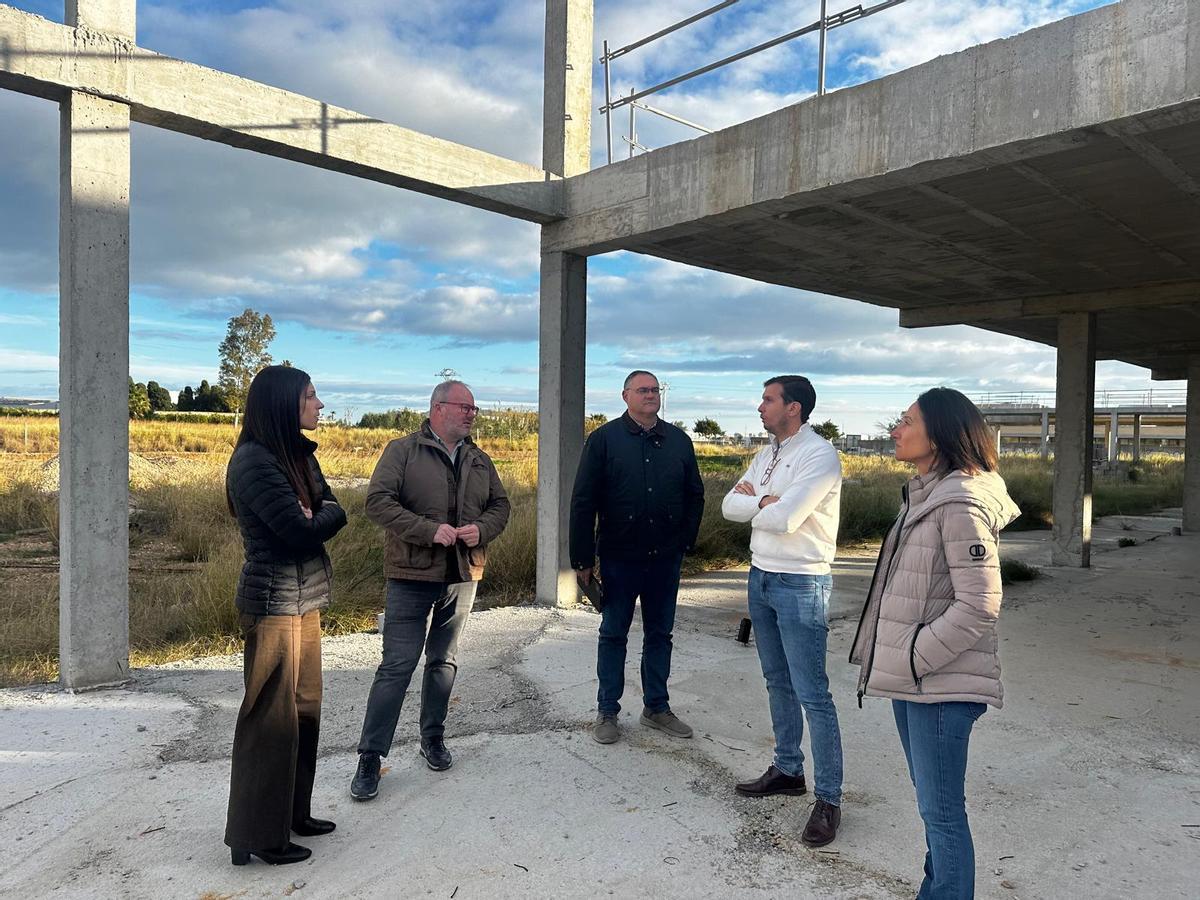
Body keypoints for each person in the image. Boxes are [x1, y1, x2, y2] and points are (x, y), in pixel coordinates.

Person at [850, 388, 1019, 899]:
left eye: (905, 421)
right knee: (932, 803)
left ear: (940, 433)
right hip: (919, 679)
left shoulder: (960, 503)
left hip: (939, 684)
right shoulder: (927, 493)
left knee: (942, 812)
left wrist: (912, 656)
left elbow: (980, 604)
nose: (894, 430)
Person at [350, 380, 510, 801]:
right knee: (397, 666)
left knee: (444, 661)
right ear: (438, 408)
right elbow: (378, 502)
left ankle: (432, 739)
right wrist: (427, 531)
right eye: (464, 407)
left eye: (474, 409)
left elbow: (501, 506)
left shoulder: (478, 458)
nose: (472, 414)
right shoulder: (402, 451)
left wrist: (482, 530)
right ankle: (370, 758)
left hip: (462, 574)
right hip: (410, 574)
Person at [224, 365, 347, 866]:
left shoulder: (297, 454)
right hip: (274, 602)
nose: (320, 405)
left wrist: (318, 514)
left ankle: (293, 815)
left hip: (306, 600)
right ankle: (254, 835)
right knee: (269, 721)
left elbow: (327, 509)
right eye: (312, 396)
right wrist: (320, 515)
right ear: (284, 403)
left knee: (303, 714)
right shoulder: (253, 462)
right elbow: (301, 531)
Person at [721, 375, 846, 847]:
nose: (760, 407)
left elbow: (788, 517)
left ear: (793, 407)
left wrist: (762, 502)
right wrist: (763, 501)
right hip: (761, 575)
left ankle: (829, 798)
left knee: (813, 692)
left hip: (801, 581)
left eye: (768, 400)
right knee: (776, 680)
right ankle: (788, 769)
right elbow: (730, 507)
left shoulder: (819, 455)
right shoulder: (767, 452)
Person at [569, 370, 705, 745]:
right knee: (613, 633)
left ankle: (656, 708)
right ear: (625, 395)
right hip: (619, 557)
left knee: (660, 634)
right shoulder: (603, 440)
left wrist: (684, 542)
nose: (650, 395)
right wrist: (581, 559)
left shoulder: (678, 440)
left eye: (654, 390)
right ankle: (607, 711)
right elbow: (583, 503)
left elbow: (695, 495)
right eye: (642, 390)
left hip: (665, 558)